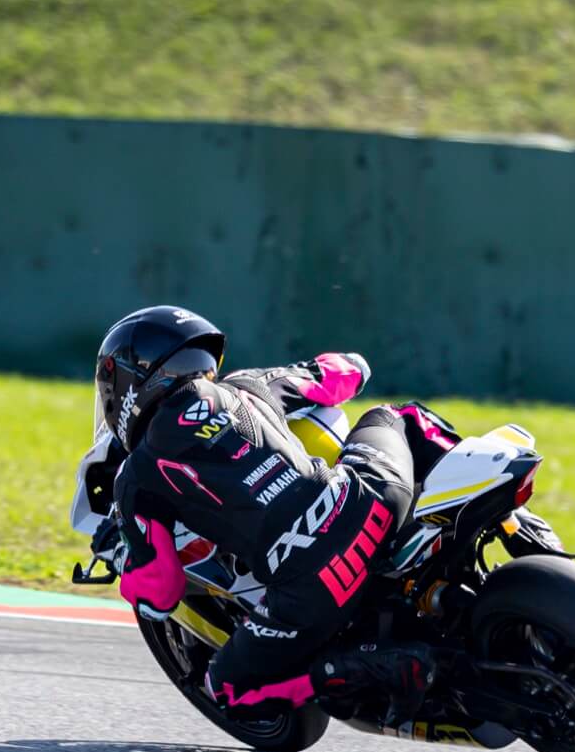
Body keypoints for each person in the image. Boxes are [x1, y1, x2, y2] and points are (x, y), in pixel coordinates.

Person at [73, 305, 461, 720]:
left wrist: (123, 553)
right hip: (371, 501)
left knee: (228, 691)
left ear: (128, 386)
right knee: (395, 417)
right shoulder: (248, 386)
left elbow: (161, 593)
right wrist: (349, 363)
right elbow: (344, 374)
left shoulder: (136, 476)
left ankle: (368, 666)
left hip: (314, 584)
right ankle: (478, 502)